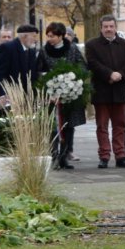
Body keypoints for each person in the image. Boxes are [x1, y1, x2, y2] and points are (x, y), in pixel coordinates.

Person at [86, 15, 125, 169]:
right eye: (105, 26)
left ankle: (121, 155)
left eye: (111, 26)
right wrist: (109, 74)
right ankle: (104, 156)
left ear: (115, 27)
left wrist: (120, 74)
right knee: (102, 126)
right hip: (101, 91)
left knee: (120, 125)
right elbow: (93, 63)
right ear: (101, 28)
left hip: (120, 91)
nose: (108, 29)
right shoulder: (92, 45)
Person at [38, 22, 87, 170]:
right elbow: (39, 71)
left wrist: (74, 80)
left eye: (52, 36)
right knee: (53, 126)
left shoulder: (72, 49)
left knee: (68, 126)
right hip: (51, 96)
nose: (49, 39)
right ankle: (53, 155)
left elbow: (82, 66)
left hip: (70, 93)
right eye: (48, 36)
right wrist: (48, 86)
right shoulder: (44, 51)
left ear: (60, 36)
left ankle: (64, 156)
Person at [0, 24, 40, 97]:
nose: (36, 40)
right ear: (25, 36)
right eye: (34, 36)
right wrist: (3, 95)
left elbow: (33, 74)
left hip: (27, 96)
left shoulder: (31, 51)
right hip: (10, 95)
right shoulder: (7, 48)